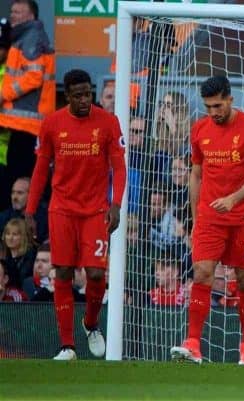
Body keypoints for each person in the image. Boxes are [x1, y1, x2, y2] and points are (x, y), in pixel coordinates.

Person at [23, 69, 126, 361]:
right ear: (66, 95)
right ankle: (67, 346)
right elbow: (41, 168)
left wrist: (115, 204)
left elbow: (119, 167)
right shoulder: (53, 124)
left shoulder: (107, 122)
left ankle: (91, 323)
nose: (84, 100)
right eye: (77, 95)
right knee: (64, 272)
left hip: (95, 209)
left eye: (87, 94)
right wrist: (30, 212)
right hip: (62, 209)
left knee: (95, 273)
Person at [169, 76, 244, 365]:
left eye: (218, 105)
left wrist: (233, 199)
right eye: (209, 106)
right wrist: (196, 217)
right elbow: (196, 174)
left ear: (230, 99)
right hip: (211, 218)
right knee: (201, 273)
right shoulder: (199, 130)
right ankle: (192, 343)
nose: (214, 112)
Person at [1, 0, 55, 205]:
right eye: (12, 11)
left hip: (29, 127)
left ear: (31, 16)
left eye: (18, 12)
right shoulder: (24, 36)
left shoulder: (31, 37)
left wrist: (3, 94)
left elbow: (34, 76)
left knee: (20, 180)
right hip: (23, 126)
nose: (13, 15)